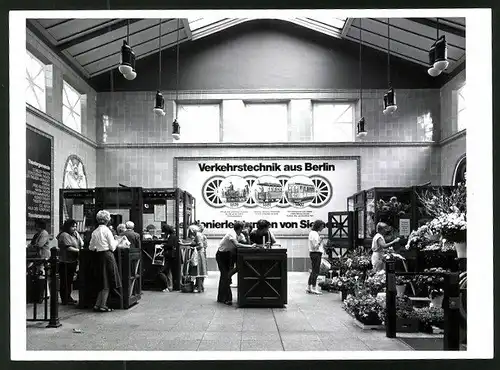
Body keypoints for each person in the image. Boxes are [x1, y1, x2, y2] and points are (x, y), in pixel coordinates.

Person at [89, 210, 126, 312]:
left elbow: (91, 247)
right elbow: (113, 247)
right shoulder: (107, 231)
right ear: (107, 220)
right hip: (107, 256)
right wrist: (118, 240)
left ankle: (97, 304)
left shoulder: (95, 231)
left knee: (102, 281)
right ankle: (103, 305)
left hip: (98, 257)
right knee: (108, 281)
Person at [216, 221, 252, 305]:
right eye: (243, 228)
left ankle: (221, 297)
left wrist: (247, 236)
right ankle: (227, 298)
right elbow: (237, 245)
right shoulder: (231, 234)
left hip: (229, 255)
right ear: (240, 228)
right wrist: (250, 246)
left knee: (224, 277)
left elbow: (246, 243)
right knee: (225, 276)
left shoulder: (240, 235)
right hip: (221, 255)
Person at [57, 219, 83, 305]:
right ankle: (65, 298)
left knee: (70, 280)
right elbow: (68, 248)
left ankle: (69, 297)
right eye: (72, 226)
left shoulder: (75, 234)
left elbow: (81, 243)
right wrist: (79, 251)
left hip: (73, 261)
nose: (74, 228)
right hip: (65, 261)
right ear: (67, 227)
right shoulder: (64, 235)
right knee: (65, 281)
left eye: (75, 226)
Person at [187, 225, 208, 293]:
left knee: (198, 271)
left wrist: (194, 248)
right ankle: (201, 287)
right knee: (201, 271)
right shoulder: (201, 235)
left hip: (198, 254)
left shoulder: (198, 235)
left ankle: (199, 287)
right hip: (202, 254)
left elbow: (200, 245)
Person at [307, 220, 326, 295]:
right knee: (316, 271)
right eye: (322, 227)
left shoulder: (312, 233)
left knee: (313, 270)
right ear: (318, 226)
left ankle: (309, 287)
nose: (322, 228)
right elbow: (315, 246)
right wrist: (321, 240)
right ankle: (314, 288)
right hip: (316, 253)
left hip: (313, 253)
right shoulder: (315, 234)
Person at [158, 224, 178, 292]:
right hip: (172, 256)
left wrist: (163, 246)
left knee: (163, 271)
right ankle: (170, 286)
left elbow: (170, 245)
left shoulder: (171, 236)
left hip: (169, 256)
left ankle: (168, 286)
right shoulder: (173, 236)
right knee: (168, 271)